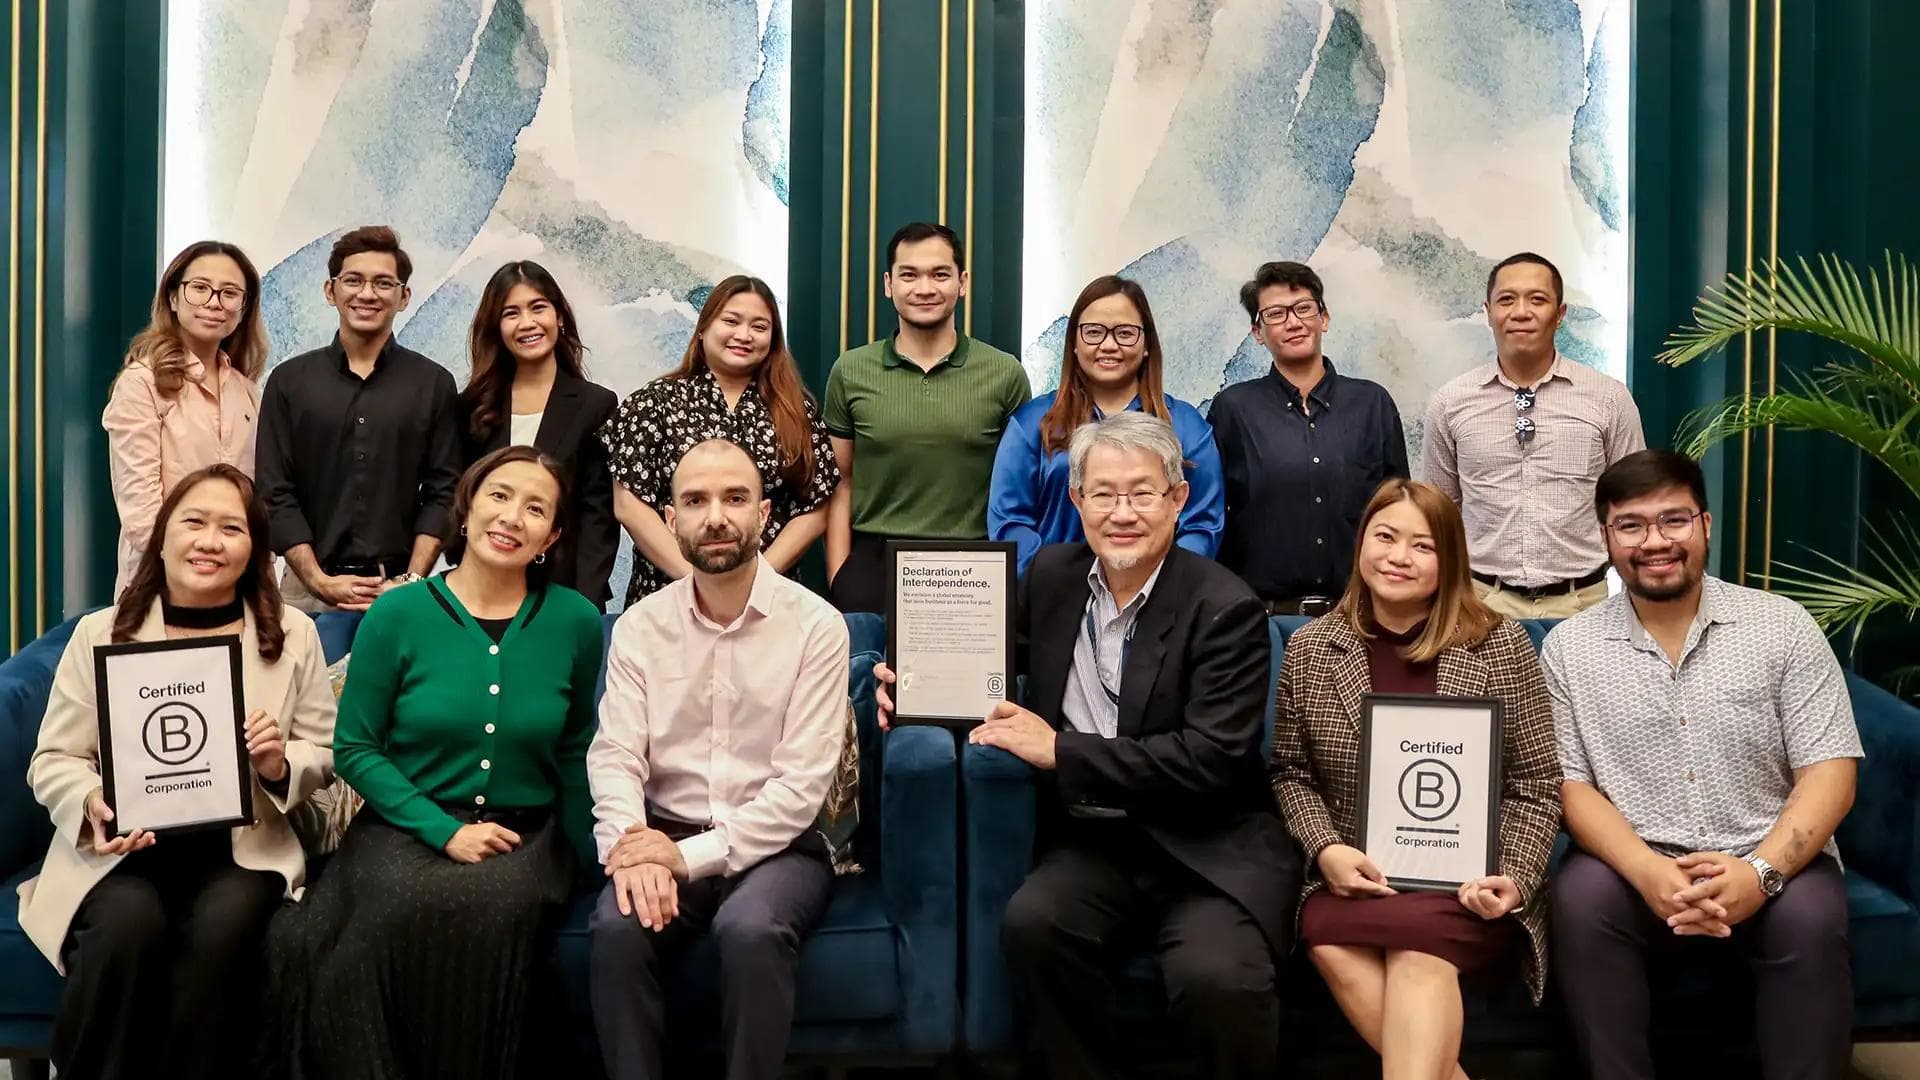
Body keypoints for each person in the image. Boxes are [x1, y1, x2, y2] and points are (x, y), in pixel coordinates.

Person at [878, 412, 1297, 1078]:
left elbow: (1211, 760)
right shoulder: (1051, 575)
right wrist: (911, 685)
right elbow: (985, 665)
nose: (1121, 512)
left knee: (1219, 979)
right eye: (1103, 493)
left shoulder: (1226, 606)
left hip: (1204, 851)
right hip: (1095, 844)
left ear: (1177, 499)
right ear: (1076, 500)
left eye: (1141, 492)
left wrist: (1062, 753)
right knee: (1033, 927)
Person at [264, 446, 605, 1080]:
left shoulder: (578, 622)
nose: (511, 517)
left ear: (552, 535)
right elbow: (355, 748)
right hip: (403, 824)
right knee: (377, 919)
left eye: (536, 509)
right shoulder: (397, 614)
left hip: (522, 833)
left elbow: (575, 749)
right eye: (499, 496)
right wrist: (443, 831)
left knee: (496, 914)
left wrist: (598, 858)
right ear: (468, 507)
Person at [1543, 449, 1861, 1080]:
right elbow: (1571, 786)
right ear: (1605, 537)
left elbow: (1830, 771)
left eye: (1674, 520)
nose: (1654, 542)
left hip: (1770, 857)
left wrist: (1759, 873)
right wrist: (1647, 871)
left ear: (1706, 525)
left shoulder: (1781, 626)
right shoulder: (1570, 648)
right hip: (1639, 865)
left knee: (1812, 914)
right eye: (1630, 525)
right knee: (1580, 898)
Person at [19, 464, 336, 1080]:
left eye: (231, 528)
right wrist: (90, 802)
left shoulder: (292, 634)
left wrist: (279, 763)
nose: (209, 542)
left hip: (241, 851)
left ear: (255, 549)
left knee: (225, 928)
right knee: (125, 928)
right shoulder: (101, 633)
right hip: (121, 850)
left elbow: (323, 752)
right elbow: (53, 759)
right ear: (161, 538)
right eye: (193, 522)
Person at [1269, 478, 1561, 1080]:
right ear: (1361, 546)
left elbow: (1535, 783)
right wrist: (1325, 851)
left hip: (1467, 884)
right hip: (1359, 878)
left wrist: (1511, 877)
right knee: (1323, 926)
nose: (1399, 557)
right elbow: (1291, 772)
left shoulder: (1499, 645)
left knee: (1417, 949)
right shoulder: (1311, 648)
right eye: (1385, 537)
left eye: (1423, 546)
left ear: (1449, 560)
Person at [588, 438, 850, 1080]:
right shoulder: (639, 627)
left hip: (784, 845)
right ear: (670, 520)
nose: (716, 517)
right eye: (695, 501)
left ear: (765, 516)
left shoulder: (817, 626)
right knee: (618, 932)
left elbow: (799, 791)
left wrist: (683, 859)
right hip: (665, 830)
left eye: (736, 498)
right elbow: (617, 754)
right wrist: (629, 846)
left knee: (751, 932)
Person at [1422, 251, 1644, 619]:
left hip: (1583, 603)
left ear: (1560, 314)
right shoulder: (1451, 402)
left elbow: (1632, 506)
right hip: (1482, 603)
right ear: (1488, 311)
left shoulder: (1609, 398)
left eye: (1537, 300)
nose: (1520, 311)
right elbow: (1440, 511)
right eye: (1506, 300)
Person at [824, 221, 1030, 613]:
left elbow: (1019, 490)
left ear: (962, 282)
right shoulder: (850, 372)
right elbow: (841, 481)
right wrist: (840, 575)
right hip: (874, 561)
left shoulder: (1005, 374)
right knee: (868, 675)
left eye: (939, 274)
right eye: (909, 275)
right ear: (888, 285)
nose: (924, 288)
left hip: (974, 564)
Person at [255, 225, 462, 613]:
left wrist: (412, 580)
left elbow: (444, 490)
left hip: (401, 590)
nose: (367, 294)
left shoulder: (433, 383)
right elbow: (274, 490)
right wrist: (318, 580)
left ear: (404, 297)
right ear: (330, 291)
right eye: (353, 280)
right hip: (307, 591)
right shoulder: (289, 381)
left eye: (384, 283)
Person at [599, 275, 839, 607]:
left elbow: (815, 507)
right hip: (668, 596)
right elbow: (629, 504)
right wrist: (694, 580)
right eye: (731, 321)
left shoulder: (795, 409)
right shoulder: (654, 401)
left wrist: (755, 580)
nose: (744, 335)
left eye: (759, 326)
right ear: (703, 327)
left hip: (766, 597)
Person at [989, 274, 1223, 577]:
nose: (1109, 345)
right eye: (1093, 332)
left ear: (1147, 343)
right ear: (1074, 342)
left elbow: (1203, 525)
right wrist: (1061, 580)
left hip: (1159, 605)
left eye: (1125, 333)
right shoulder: (1031, 424)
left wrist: (1157, 584)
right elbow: (1010, 523)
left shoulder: (1187, 427)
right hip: (1052, 601)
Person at [1208, 260, 1408, 614]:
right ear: (1257, 332)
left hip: (1360, 616)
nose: (1293, 322)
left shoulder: (1371, 403)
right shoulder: (1233, 409)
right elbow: (1213, 513)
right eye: (1275, 314)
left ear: (1324, 318)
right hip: (1262, 621)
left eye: (1303, 308)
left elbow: (1399, 509)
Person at [104, 241, 269, 596]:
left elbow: (259, 500)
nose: (214, 302)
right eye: (199, 288)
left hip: (239, 587)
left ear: (244, 307)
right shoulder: (141, 383)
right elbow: (141, 514)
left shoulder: (248, 392)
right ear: (173, 298)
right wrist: (199, 570)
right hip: (160, 584)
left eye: (229, 293)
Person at [455, 260, 619, 607]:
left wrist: (583, 607)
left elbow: (598, 518)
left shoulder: (595, 404)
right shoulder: (473, 406)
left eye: (538, 308)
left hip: (565, 594)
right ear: (496, 327)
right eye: (511, 313)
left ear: (559, 316)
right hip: (481, 594)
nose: (527, 323)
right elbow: (459, 498)